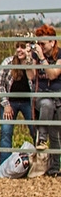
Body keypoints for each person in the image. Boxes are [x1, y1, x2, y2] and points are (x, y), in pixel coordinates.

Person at [0, 39, 36, 165]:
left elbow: (35, 80)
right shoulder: (8, 62)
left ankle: (39, 162)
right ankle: (4, 165)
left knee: (35, 131)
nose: (19, 50)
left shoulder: (34, 64)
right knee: (6, 132)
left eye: (23, 47)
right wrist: (6, 104)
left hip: (28, 102)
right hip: (10, 102)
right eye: (17, 47)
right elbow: (0, 84)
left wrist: (29, 61)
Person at [32, 24, 60, 176]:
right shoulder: (37, 56)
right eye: (39, 43)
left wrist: (42, 58)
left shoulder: (60, 55)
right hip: (42, 95)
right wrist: (30, 60)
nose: (40, 46)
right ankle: (42, 138)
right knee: (47, 104)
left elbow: (53, 74)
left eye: (43, 43)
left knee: (56, 133)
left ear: (53, 42)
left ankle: (56, 167)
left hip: (58, 95)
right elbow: (31, 76)